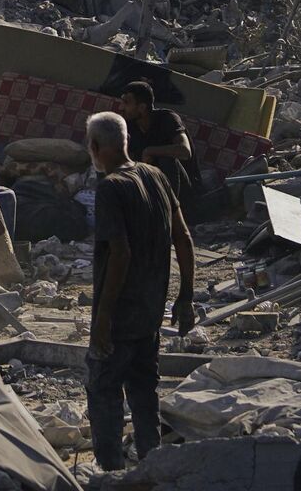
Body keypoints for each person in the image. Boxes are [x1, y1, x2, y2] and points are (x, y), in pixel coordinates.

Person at [83, 111, 195, 471]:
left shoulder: (111, 188)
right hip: (150, 313)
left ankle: (112, 473)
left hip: (120, 315)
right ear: (126, 141)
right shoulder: (157, 176)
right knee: (145, 392)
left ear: (96, 147)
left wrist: (102, 318)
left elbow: (121, 253)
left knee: (104, 393)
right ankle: (153, 466)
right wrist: (186, 296)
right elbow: (184, 237)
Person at [116, 81, 202, 198]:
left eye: (126, 103)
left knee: (167, 160)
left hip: (182, 193)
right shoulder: (130, 125)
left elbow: (185, 151)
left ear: (142, 107)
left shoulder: (167, 118)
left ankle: (170, 210)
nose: (121, 107)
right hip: (151, 187)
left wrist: (150, 150)